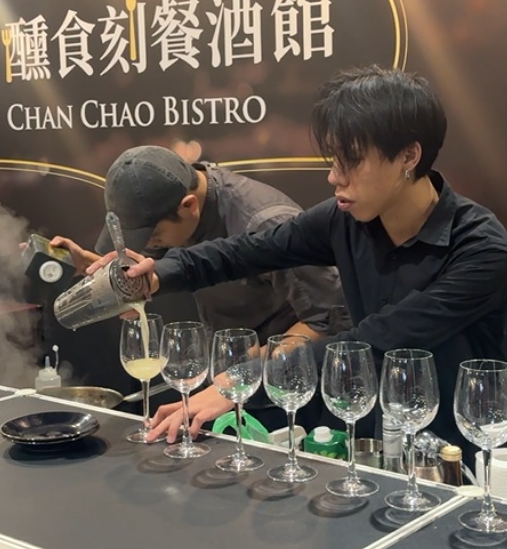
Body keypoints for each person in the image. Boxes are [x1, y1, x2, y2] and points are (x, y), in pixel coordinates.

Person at [91, 67, 507, 450]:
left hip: (465, 447)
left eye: (351, 161)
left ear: (409, 156)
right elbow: (249, 249)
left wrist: (240, 383)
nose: (334, 176)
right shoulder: (344, 219)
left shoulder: (480, 248)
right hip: (373, 439)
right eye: (333, 160)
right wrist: (157, 275)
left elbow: (377, 342)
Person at [52, 145, 349, 432]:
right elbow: (179, 266)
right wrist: (94, 266)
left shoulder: (263, 220)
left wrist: (240, 377)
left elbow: (327, 321)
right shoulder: (180, 205)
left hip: (286, 396)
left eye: (153, 236)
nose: (148, 246)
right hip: (225, 386)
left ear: (189, 206)